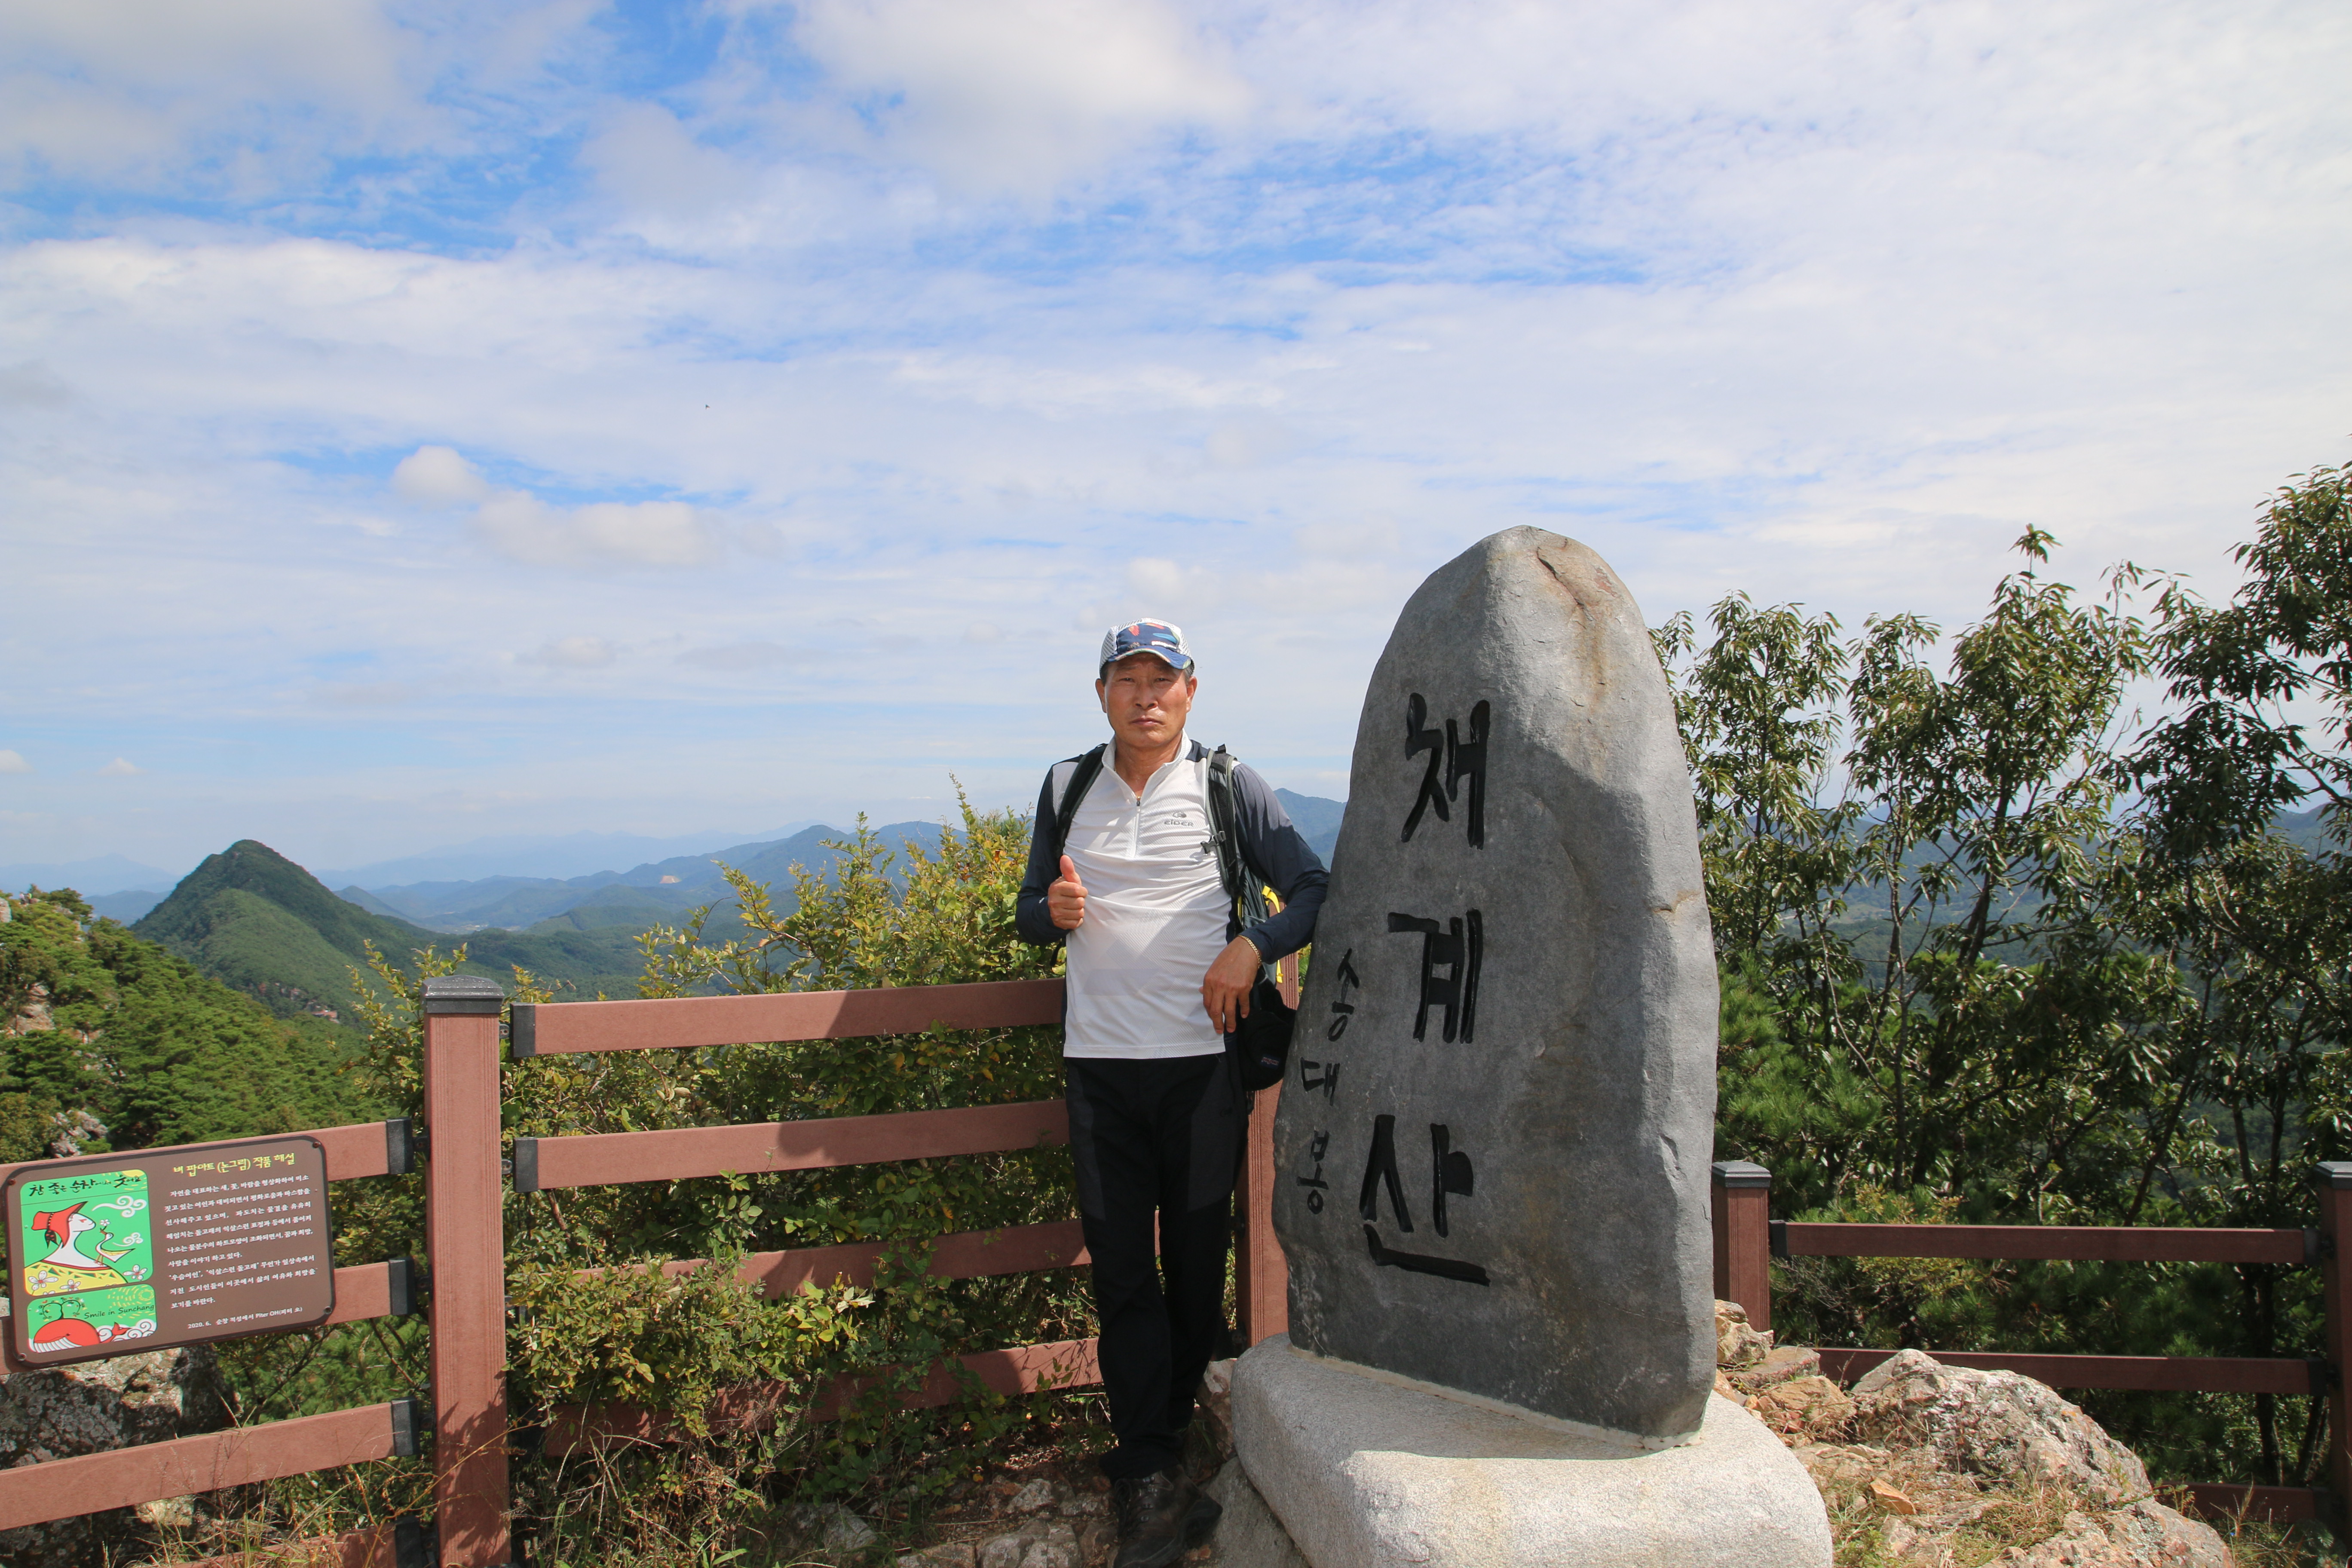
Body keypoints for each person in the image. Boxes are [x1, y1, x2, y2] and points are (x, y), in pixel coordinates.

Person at [1016, 620, 1326, 1568]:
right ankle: (1148, 1471)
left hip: (1203, 1069)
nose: (1146, 696)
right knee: (1122, 1274)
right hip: (1100, 1069)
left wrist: (1255, 946)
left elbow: (1315, 889)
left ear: (1192, 691)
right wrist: (1051, 913)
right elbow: (1030, 912)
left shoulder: (1228, 787)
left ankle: (1176, 1429)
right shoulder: (1067, 787)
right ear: (1101, 693)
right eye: (1128, 680)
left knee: (1196, 1272)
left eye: (1164, 680)